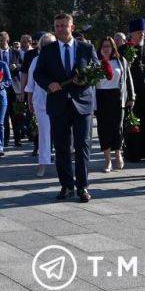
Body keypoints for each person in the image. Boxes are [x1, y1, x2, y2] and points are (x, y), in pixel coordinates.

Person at [33, 13, 98, 203]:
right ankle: (67, 185)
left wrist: (85, 79)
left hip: (82, 104)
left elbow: (96, 72)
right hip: (58, 103)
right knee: (61, 147)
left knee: (82, 146)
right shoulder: (48, 50)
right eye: (57, 26)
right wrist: (49, 84)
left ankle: (83, 187)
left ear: (72, 27)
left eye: (64, 25)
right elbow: (38, 74)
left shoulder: (86, 48)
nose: (60, 29)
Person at [95, 37, 134, 173]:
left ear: (113, 48)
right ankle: (107, 160)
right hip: (101, 97)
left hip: (117, 97)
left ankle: (118, 153)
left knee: (118, 128)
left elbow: (128, 79)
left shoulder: (120, 61)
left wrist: (131, 96)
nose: (106, 49)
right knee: (103, 129)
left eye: (108, 46)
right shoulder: (95, 62)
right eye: (103, 46)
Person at [124, 19, 145, 162]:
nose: (142, 35)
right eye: (138, 32)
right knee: (133, 124)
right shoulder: (124, 50)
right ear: (131, 34)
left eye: (143, 32)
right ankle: (133, 153)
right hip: (132, 94)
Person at [24, 33, 56, 176]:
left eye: (50, 45)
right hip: (40, 102)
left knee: (61, 133)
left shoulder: (59, 60)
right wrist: (29, 100)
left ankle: (62, 162)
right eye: (45, 45)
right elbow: (30, 84)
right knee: (43, 133)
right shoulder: (36, 61)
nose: (47, 47)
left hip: (58, 101)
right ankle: (43, 163)